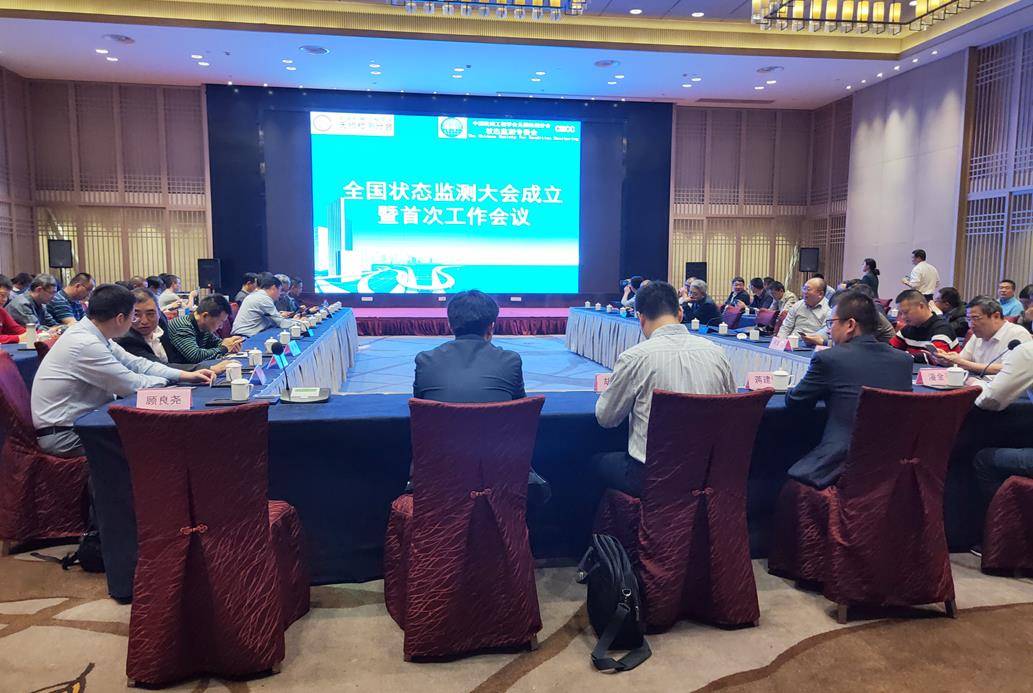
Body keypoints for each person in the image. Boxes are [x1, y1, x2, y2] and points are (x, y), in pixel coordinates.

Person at [31, 284, 214, 457]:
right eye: (134, 315)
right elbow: (132, 385)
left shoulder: (94, 334)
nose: (137, 321)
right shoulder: (85, 344)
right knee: (154, 442)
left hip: (83, 422)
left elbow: (138, 364)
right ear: (120, 318)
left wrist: (185, 375)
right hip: (65, 435)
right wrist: (170, 381)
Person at [594, 281, 736, 497]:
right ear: (680, 313)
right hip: (707, 472)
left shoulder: (635, 358)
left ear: (640, 317)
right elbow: (731, 407)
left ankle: (615, 520)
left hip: (652, 476)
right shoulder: (717, 353)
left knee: (594, 462)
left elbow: (606, 418)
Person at [412, 290, 549, 504]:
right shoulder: (510, 361)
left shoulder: (425, 361)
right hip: (502, 474)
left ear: (450, 325)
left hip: (438, 476)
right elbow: (518, 413)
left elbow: (423, 415)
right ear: (491, 326)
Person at [785, 292, 914, 489]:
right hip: (892, 465)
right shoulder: (903, 361)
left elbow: (797, 402)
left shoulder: (829, 358)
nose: (829, 330)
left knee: (785, 482)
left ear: (850, 325)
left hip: (841, 466)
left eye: (831, 323)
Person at [115, 289, 228, 373]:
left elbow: (173, 359)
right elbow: (158, 368)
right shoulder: (127, 339)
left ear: (159, 313)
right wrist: (208, 368)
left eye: (150, 314)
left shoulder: (161, 324)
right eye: (136, 315)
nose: (144, 321)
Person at [934, 296, 1031, 376]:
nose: (971, 325)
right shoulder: (977, 334)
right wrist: (949, 360)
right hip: (975, 385)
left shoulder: (1018, 334)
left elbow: (1008, 369)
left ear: (996, 316)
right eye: (968, 319)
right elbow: (963, 360)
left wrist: (962, 362)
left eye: (975, 318)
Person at [163, 293, 244, 365]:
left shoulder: (204, 326)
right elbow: (195, 356)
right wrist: (224, 348)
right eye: (220, 322)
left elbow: (217, 343)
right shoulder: (182, 326)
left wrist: (231, 344)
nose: (221, 326)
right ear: (205, 315)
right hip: (180, 371)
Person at [890, 289, 959, 363]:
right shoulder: (908, 328)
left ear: (921, 306)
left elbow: (934, 358)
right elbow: (890, 350)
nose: (903, 317)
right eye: (901, 313)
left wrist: (902, 356)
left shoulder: (942, 329)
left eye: (906, 312)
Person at [231, 273, 298, 337]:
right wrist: (299, 322)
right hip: (244, 336)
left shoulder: (258, 295)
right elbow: (281, 323)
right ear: (274, 288)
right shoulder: (264, 298)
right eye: (280, 290)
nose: (280, 294)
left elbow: (271, 320)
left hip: (246, 333)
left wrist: (280, 316)